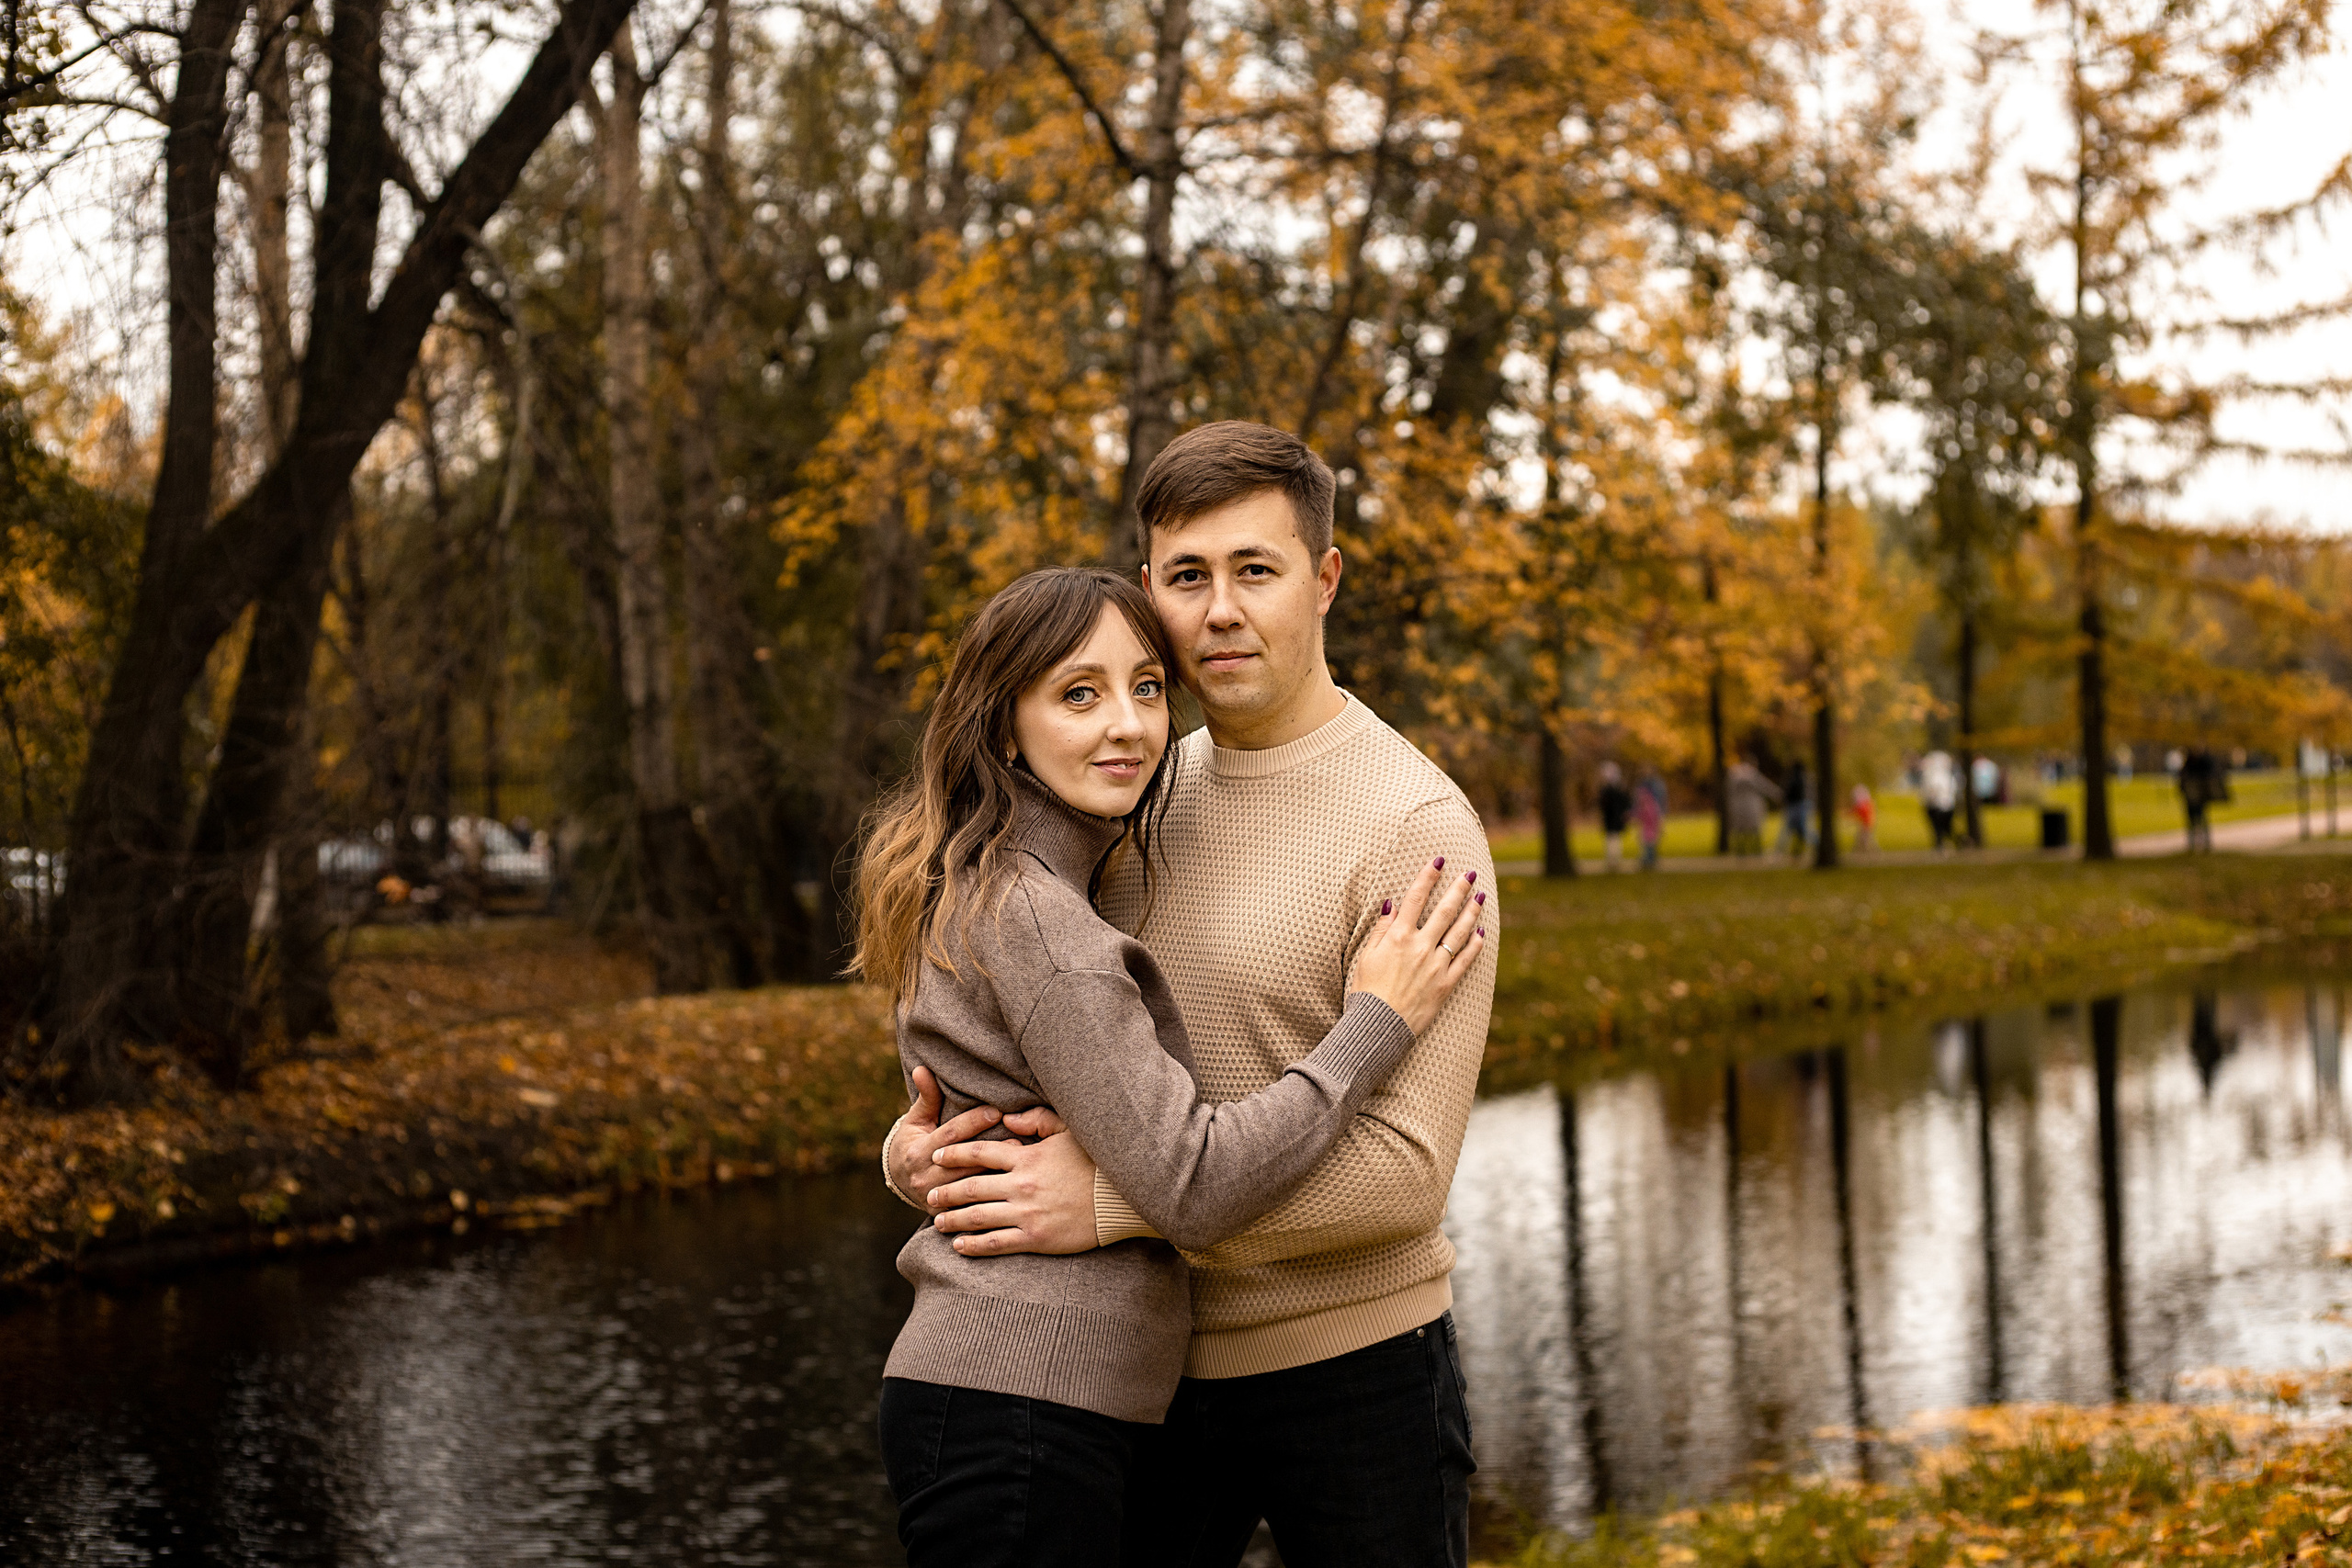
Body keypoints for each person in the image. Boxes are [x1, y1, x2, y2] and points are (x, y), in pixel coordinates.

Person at [884, 423, 1498, 1566]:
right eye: (1186, 576)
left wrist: (1111, 1209)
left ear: (1323, 581)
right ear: (1151, 590)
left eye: (1254, 571)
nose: (1218, 609)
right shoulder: (1134, 786)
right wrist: (923, 1147)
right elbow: (1048, 1029)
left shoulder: (1416, 828)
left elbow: (1406, 1178)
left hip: (1353, 1373)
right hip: (1143, 1383)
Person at [1724, 754, 1781, 857]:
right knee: (1755, 829)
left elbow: (1728, 790)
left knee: (1740, 830)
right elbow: (1765, 786)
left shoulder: (1733, 773)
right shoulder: (1752, 774)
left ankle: (1741, 851)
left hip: (1736, 806)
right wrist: (1778, 794)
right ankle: (1757, 850)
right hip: (1752, 806)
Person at [2179, 744, 2227, 852]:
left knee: (2200, 819)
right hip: (2193, 795)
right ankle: (2194, 844)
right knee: (2194, 819)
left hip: (2199, 795)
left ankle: (2203, 843)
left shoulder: (2202, 762)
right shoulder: (2191, 762)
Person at [1919, 748, 1959, 852]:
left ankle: (1942, 845)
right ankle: (1942, 845)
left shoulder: (1936, 776)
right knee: (1944, 829)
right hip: (1942, 806)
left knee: (1941, 829)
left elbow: (1931, 790)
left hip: (1939, 806)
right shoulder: (1945, 776)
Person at [1598, 761, 1634, 872]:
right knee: (1613, 839)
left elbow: (1603, 804)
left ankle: (1613, 861)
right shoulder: (1616, 789)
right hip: (1614, 818)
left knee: (1613, 839)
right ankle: (1613, 861)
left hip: (1613, 818)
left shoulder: (1610, 790)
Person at [1776, 760, 1812, 858]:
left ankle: (1780, 851)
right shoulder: (1803, 778)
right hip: (1800, 806)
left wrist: (1783, 800)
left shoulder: (1793, 778)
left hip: (1794, 807)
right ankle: (1796, 851)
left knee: (1789, 830)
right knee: (1801, 831)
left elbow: (1788, 793)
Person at [1634, 767, 1667, 872]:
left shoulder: (1656, 785)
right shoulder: (1644, 784)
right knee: (1647, 838)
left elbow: (1661, 800)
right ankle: (1648, 859)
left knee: (1651, 837)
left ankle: (1650, 859)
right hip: (1648, 817)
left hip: (1653, 815)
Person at [1849, 782, 1877, 852]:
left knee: (1865, 837)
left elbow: (1859, 812)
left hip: (1867, 822)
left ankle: (1869, 850)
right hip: (1866, 822)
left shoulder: (1864, 805)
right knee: (1864, 837)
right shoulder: (1865, 804)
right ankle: (1861, 849)